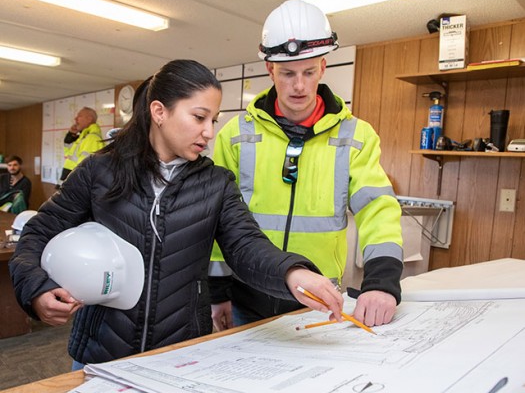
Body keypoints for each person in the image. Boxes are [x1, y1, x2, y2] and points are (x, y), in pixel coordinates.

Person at [9, 59, 344, 370]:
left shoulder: (216, 183)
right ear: (159, 112)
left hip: (180, 355)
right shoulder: (100, 171)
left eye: (212, 121)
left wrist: (292, 273)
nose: (209, 133)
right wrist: (36, 289)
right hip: (101, 355)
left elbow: (247, 246)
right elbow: (38, 234)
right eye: (199, 118)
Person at [209, 0, 403, 331]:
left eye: (309, 72)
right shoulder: (235, 135)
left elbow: (377, 209)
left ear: (323, 67)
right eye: (287, 73)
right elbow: (216, 221)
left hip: (317, 303)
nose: (299, 85)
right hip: (245, 298)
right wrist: (216, 291)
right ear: (270, 70)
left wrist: (382, 282)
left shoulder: (355, 135)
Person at [56, 106, 104, 187]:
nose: (75, 119)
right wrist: (71, 135)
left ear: (89, 119)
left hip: (75, 187)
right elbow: (68, 152)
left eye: (79, 116)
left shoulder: (92, 138)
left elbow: (86, 168)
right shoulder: (83, 137)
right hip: (69, 185)